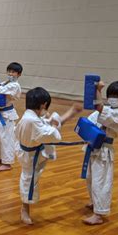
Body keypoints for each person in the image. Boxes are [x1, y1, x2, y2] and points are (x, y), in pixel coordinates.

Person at [16, 87, 81, 225]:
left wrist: (70, 113)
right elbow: (54, 135)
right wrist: (51, 123)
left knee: (51, 122)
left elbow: (48, 127)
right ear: (44, 104)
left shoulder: (30, 117)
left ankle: (71, 113)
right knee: (29, 180)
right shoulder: (32, 121)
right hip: (30, 155)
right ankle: (25, 209)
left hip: (31, 151)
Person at [83, 80, 118, 225]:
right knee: (91, 179)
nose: (112, 98)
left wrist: (98, 89)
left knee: (101, 181)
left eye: (116, 96)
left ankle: (99, 214)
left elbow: (99, 107)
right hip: (93, 147)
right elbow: (91, 120)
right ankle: (94, 202)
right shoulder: (107, 110)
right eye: (111, 95)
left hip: (104, 151)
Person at [0, 62, 23, 171]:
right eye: (9, 71)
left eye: (13, 72)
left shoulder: (15, 86)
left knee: (7, 138)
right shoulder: (6, 82)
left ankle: (7, 163)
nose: (10, 74)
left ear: (19, 74)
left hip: (7, 115)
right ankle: (1, 157)